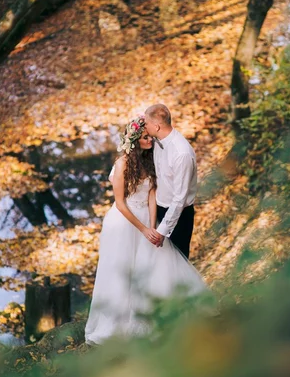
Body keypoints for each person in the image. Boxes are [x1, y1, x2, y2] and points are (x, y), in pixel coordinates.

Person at [84, 115, 207, 345]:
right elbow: (120, 203)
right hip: (123, 222)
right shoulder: (122, 164)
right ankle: (117, 324)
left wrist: (153, 227)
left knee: (151, 263)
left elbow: (152, 194)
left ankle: (151, 317)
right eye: (145, 137)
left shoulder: (152, 158)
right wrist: (142, 229)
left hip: (145, 220)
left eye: (150, 135)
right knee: (122, 270)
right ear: (134, 139)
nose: (150, 139)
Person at [144, 104, 198, 259]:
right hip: (159, 208)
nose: (145, 127)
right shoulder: (158, 141)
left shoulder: (182, 154)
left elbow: (180, 198)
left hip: (178, 216)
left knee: (178, 263)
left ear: (157, 126)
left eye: (146, 123)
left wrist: (162, 231)